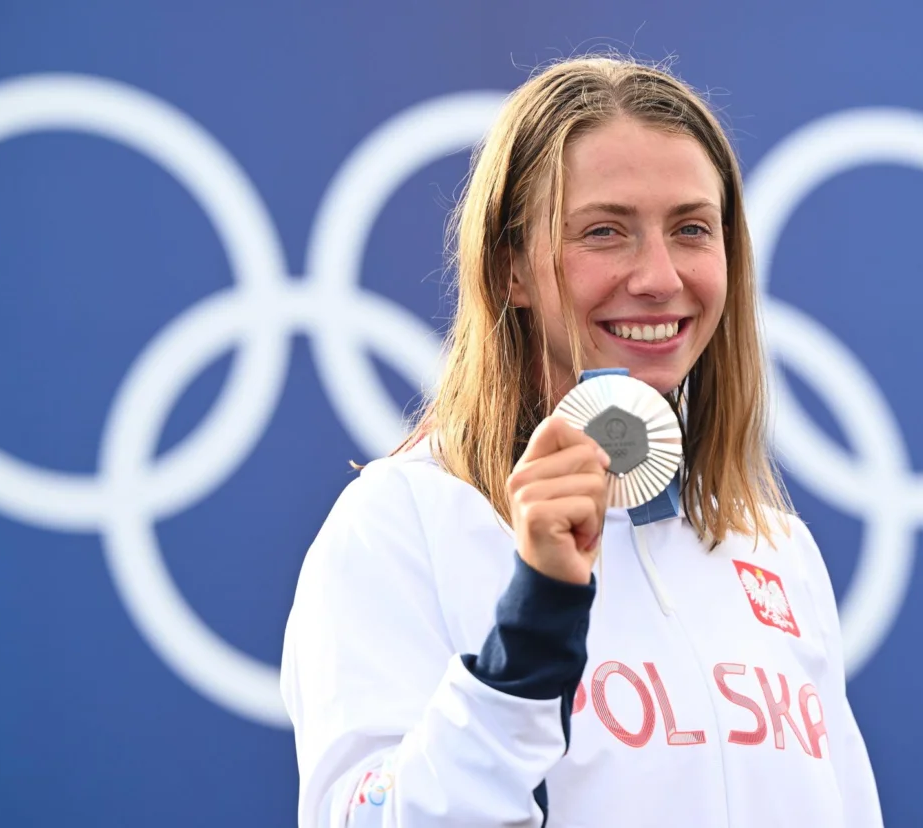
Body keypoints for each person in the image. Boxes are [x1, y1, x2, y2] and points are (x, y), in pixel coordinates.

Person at [280, 55, 884, 827]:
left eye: (692, 229)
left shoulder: (777, 550)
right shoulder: (401, 525)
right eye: (605, 232)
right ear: (511, 269)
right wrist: (533, 628)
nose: (660, 277)